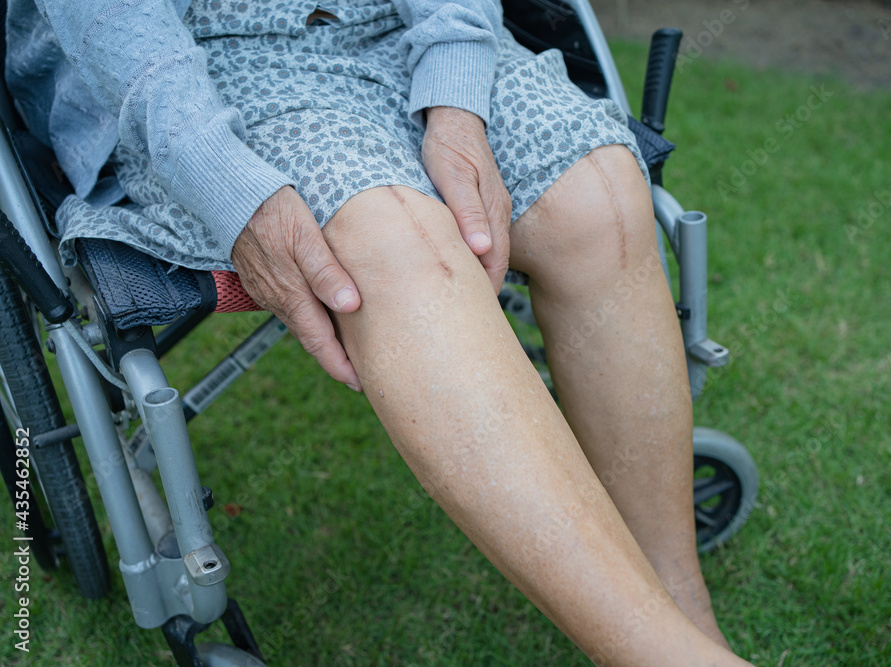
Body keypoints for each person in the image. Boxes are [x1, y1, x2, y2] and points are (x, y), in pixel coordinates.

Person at [6, 0, 752, 663]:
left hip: (394, 19)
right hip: (191, 70)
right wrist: (225, 182)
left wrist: (456, 97)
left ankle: (684, 609)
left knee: (600, 201)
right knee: (397, 251)